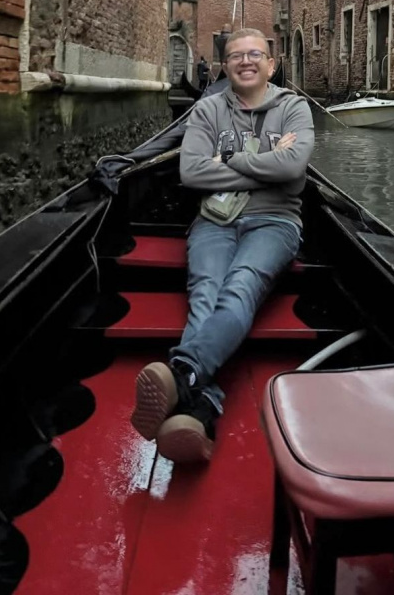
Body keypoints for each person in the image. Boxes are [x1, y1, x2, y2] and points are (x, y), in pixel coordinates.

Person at [130, 28, 314, 463]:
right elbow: (192, 173)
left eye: (255, 54)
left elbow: (293, 170)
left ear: (271, 64)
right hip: (214, 220)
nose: (246, 61)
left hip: (275, 221)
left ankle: (183, 371)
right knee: (206, 292)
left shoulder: (294, 107)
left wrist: (228, 160)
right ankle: (199, 408)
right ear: (225, 67)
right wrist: (265, 164)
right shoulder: (208, 109)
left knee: (240, 286)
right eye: (236, 56)